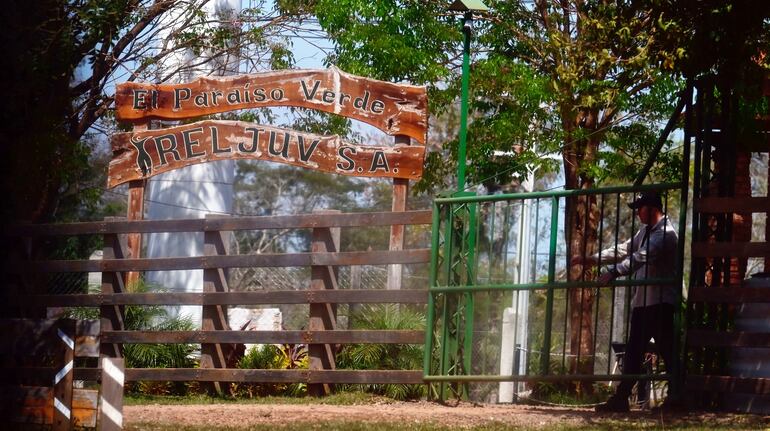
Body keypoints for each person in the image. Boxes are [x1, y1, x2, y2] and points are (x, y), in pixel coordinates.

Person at [571, 191, 679, 412]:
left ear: (652, 208)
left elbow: (641, 257)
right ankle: (622, 398)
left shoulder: (666, 234)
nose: (638, 212)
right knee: (634, 352)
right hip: (644, 303)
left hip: (661, 302)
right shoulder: (644, 232)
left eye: (640, 207)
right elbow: (623, 250)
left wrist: (613, 272)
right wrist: (591, 259)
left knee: (666, 351)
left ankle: (676, 396)